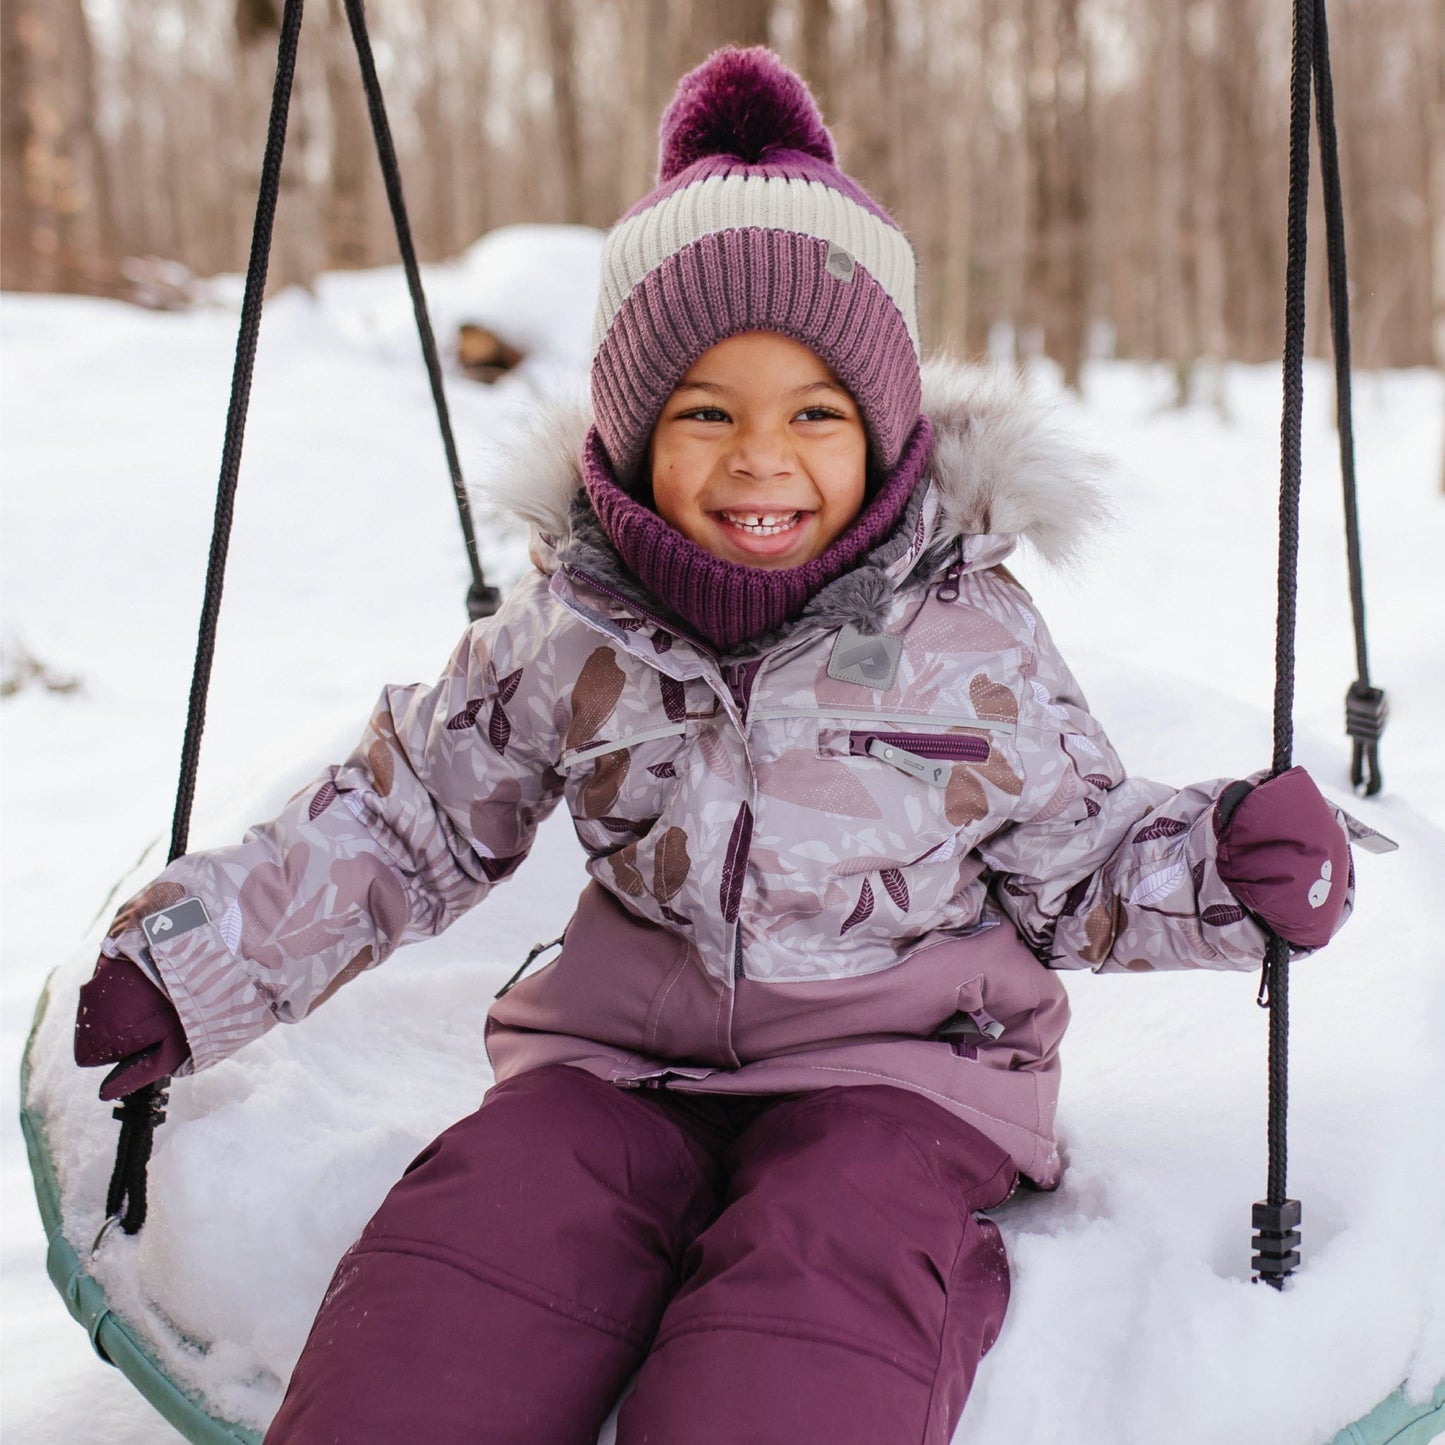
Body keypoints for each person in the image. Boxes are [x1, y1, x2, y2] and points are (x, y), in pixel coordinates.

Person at [73, 46, 1355, 1445]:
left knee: (795, 1337)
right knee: (454, 1284)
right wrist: (199, 962)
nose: (761, 459)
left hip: (903, 1072)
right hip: (618, 1060)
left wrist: (1226, 871)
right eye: (705, 413)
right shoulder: (570, 625)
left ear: (883, 437)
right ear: (627, 434)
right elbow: (406, 817)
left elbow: (1080, 856)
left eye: (815, 413)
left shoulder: (964, 635)